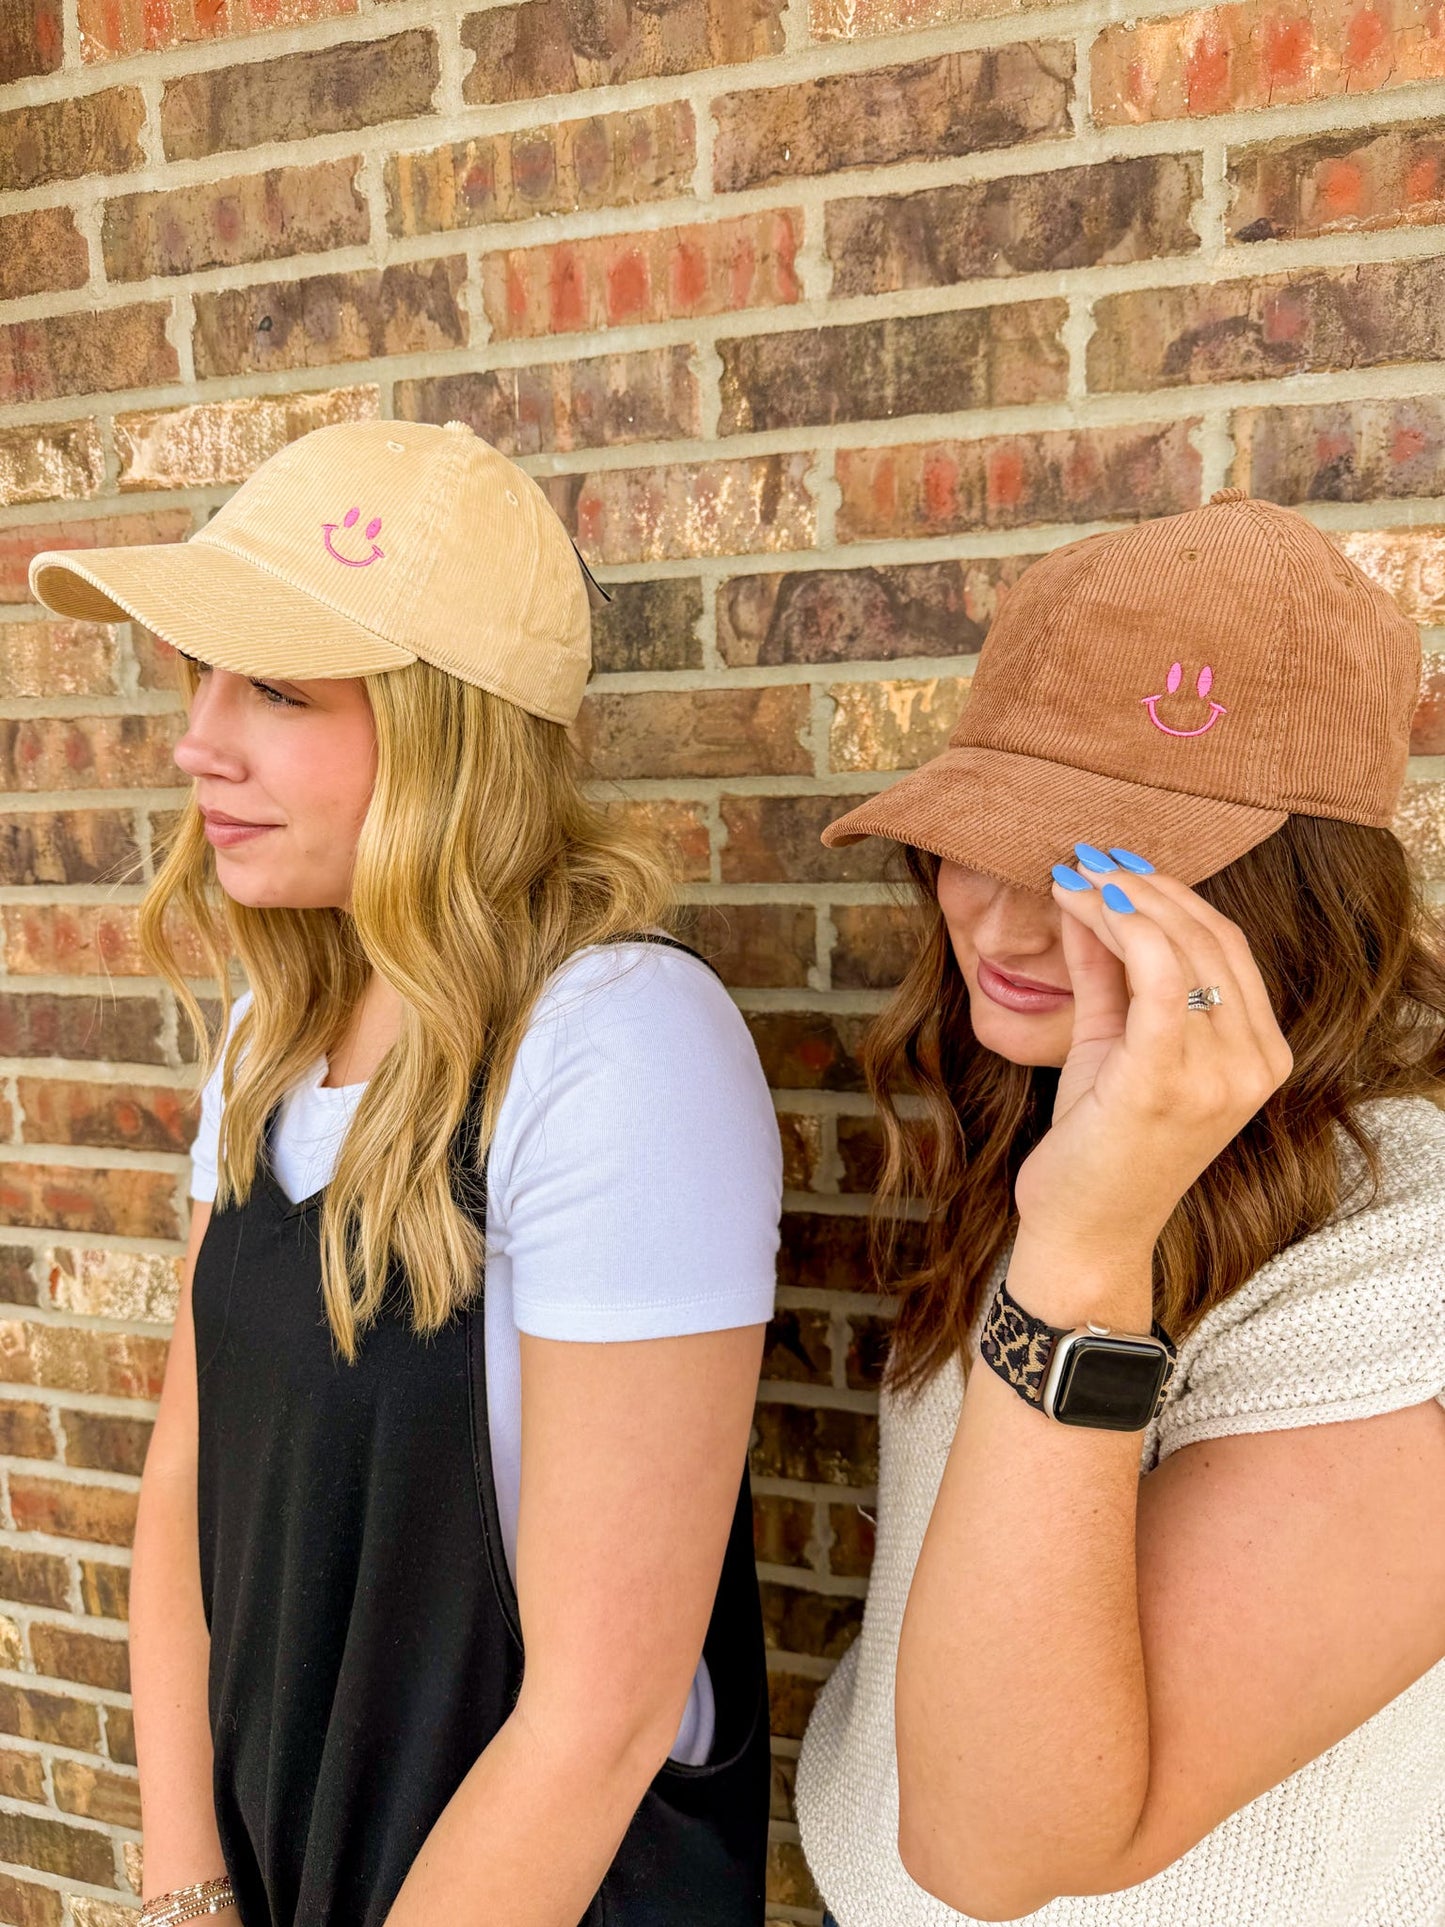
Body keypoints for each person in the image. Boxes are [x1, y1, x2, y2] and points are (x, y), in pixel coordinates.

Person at [27, 420, 783, 1927]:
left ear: (451, 735)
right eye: (204, 674)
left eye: (279, 690)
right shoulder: (273, 1030)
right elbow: (184, 1485)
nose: (198, 742)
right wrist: (185, 1896)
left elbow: (603, 1714)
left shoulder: (615, 1045)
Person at [790, 489, 1445, 1926]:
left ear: (1291, 895)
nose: (1009, 923)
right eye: (984, 837)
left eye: (1105, 873)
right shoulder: (1052, 1098)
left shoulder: (1408, 1252)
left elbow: (1002, 1853)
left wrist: (1085, 1255)